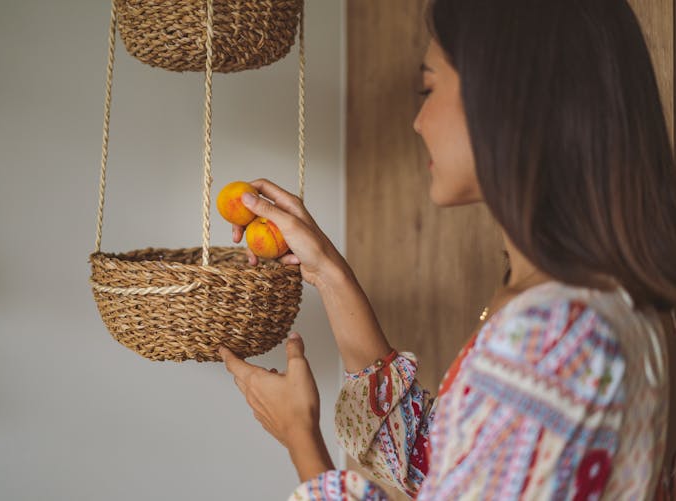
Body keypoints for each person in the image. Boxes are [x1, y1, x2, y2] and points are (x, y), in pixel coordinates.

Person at [218, 0, 676, 498]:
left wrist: (299, 435)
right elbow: (435, 462)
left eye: (429, 88)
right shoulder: (611, 307)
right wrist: (327, 268)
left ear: (509, 101)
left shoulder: (555, 335)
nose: (418, 121)